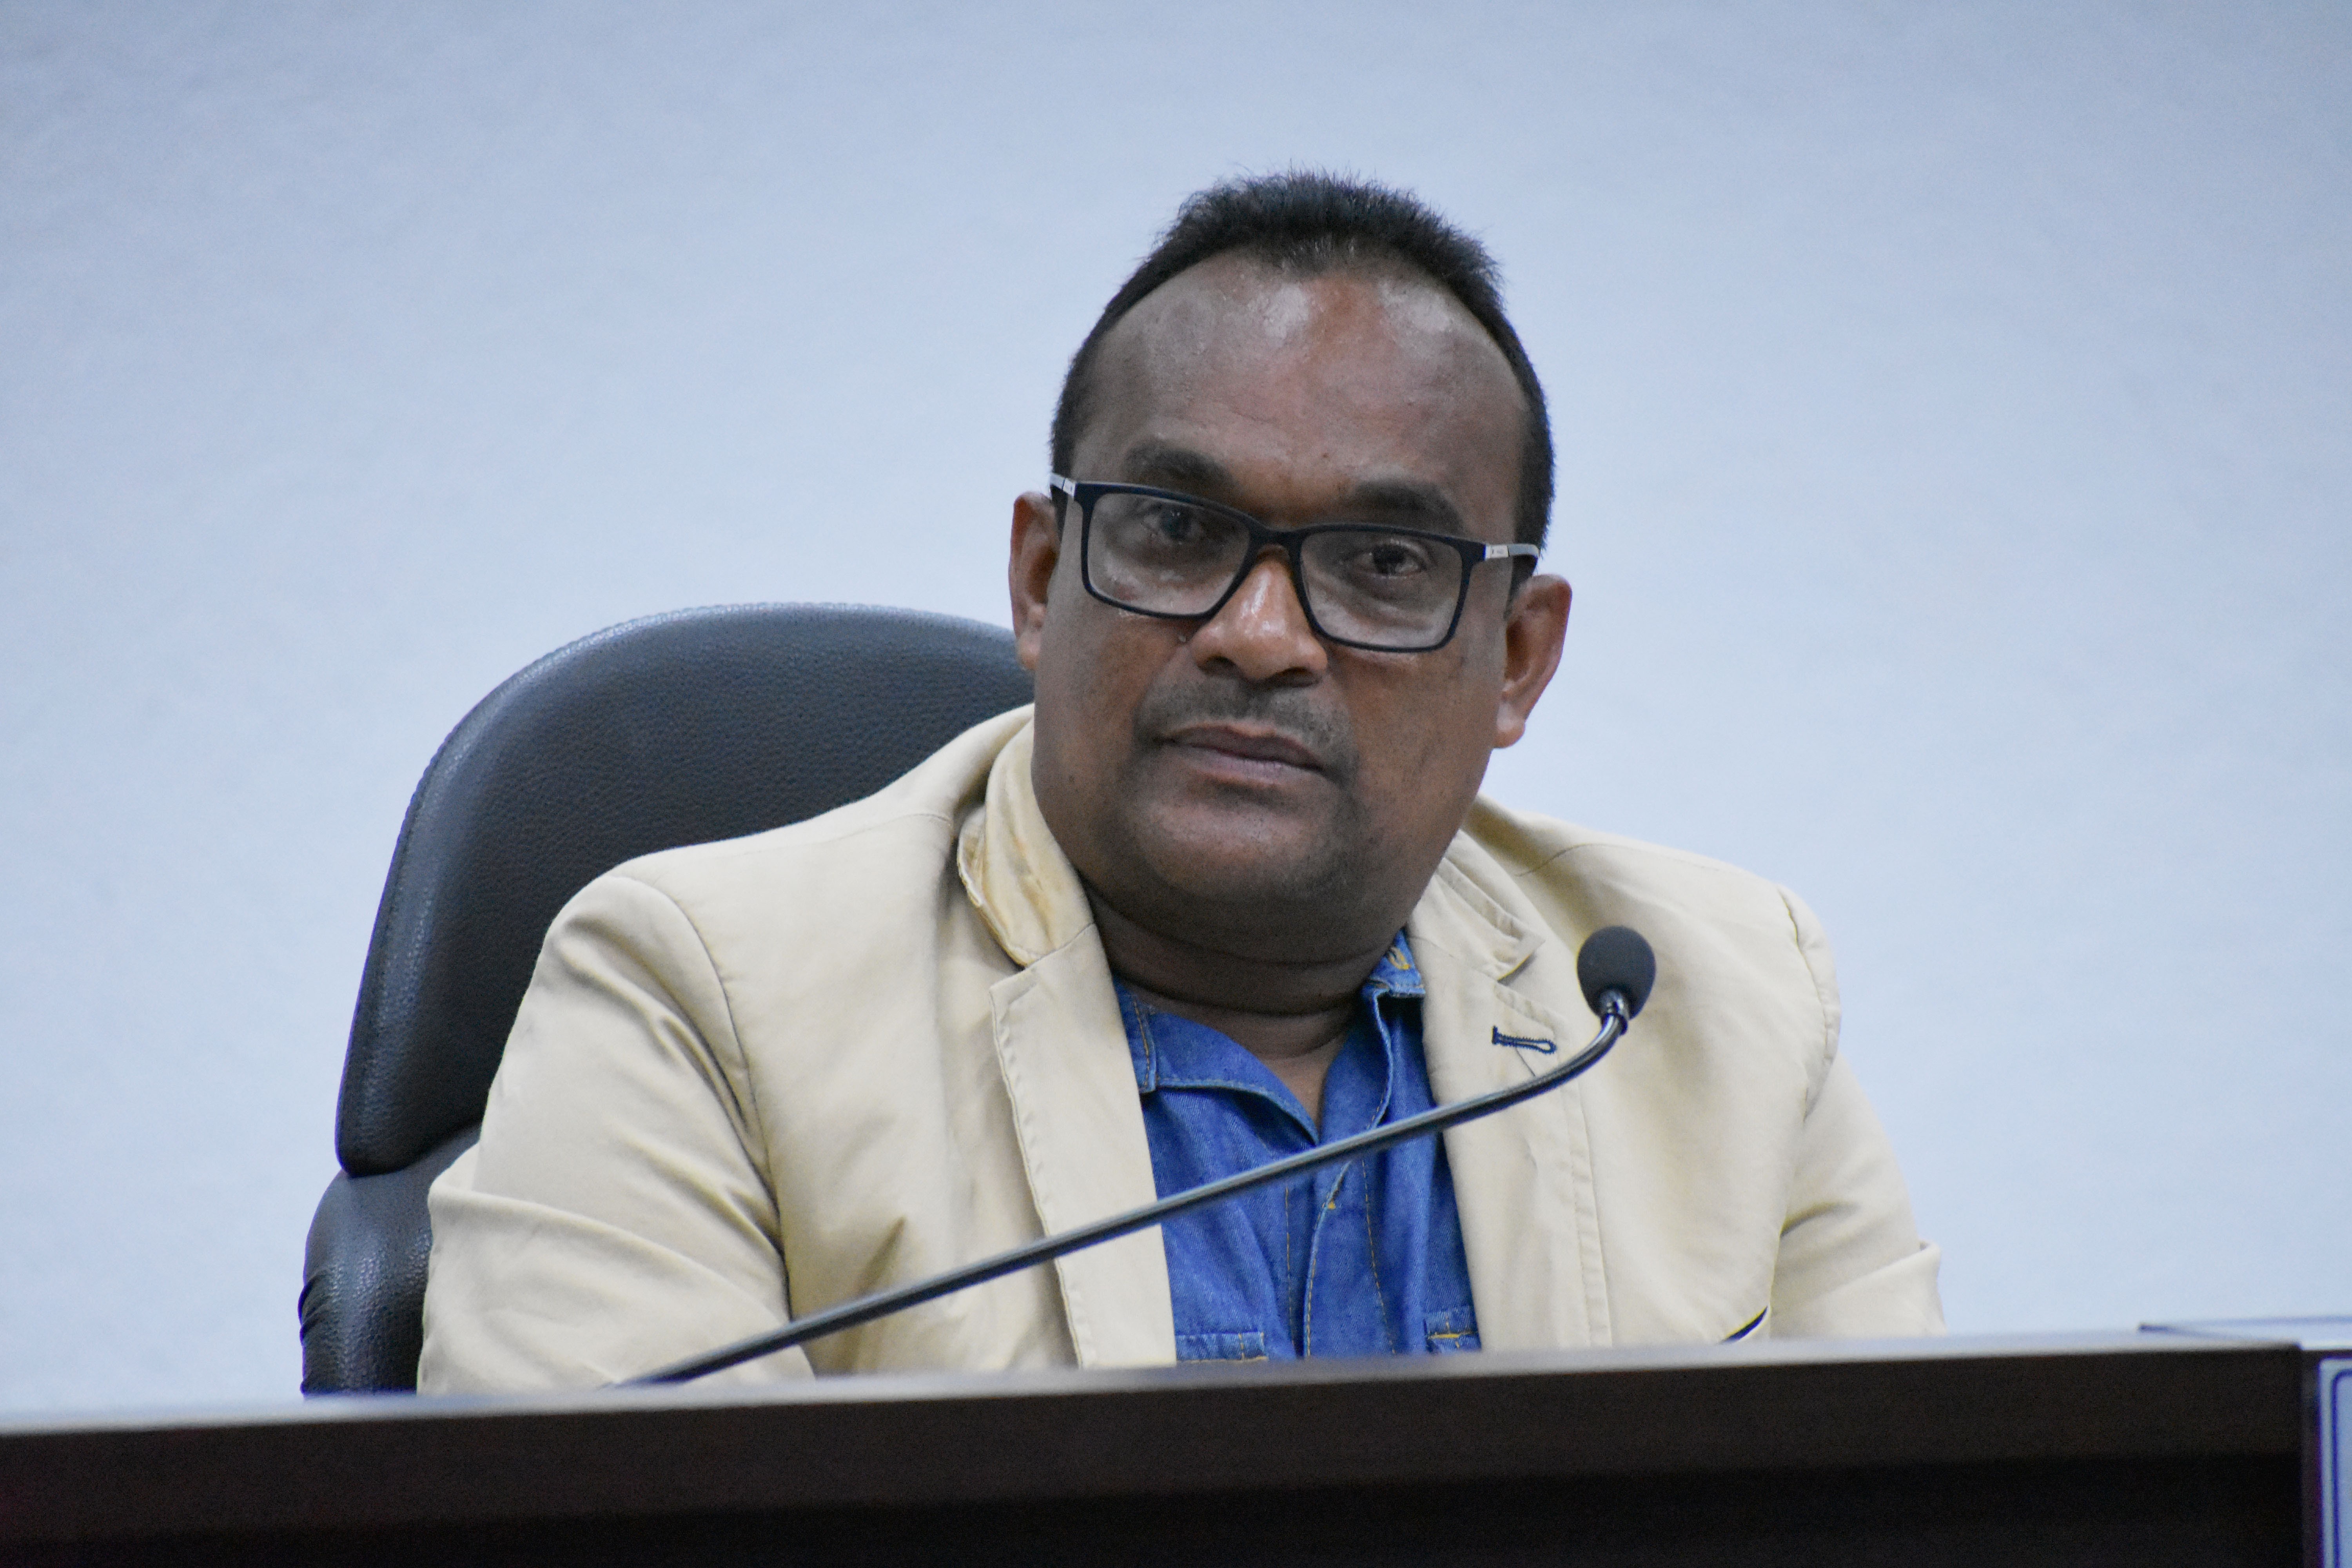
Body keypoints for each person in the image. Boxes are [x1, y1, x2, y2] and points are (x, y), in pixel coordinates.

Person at [419, 173, 1942, 1391]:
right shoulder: (699, 1002)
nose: (1261, 635)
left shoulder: (1713, 1009)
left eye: (1385, 563)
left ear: (1519, 660)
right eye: (1176, 532)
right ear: (1040, 579)